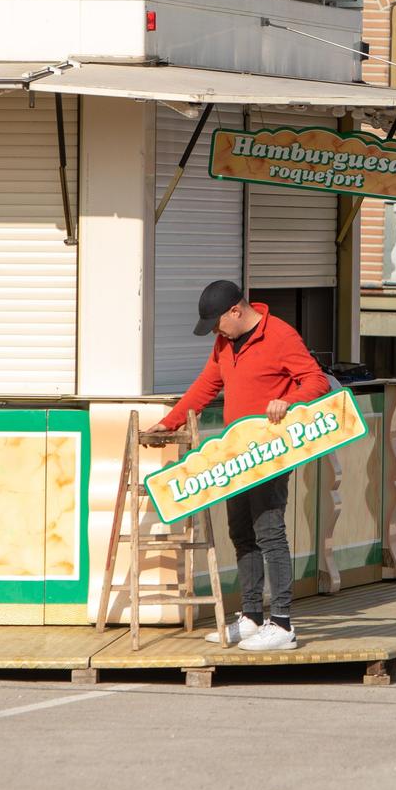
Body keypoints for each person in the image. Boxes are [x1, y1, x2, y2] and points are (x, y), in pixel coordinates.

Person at [140, 279, 331, 652]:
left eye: (217, 323)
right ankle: (251, 617)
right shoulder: (225, 343)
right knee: (241, 533)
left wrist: (288, 402)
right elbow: (206, 386)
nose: (215, 330)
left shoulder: (279, 335)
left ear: (236, 311)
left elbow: (316, 381)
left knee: (270, 532)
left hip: (269, 452)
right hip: (236, 454)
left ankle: (283, 624)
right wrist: (170, 421)